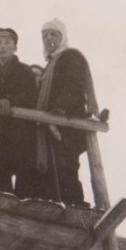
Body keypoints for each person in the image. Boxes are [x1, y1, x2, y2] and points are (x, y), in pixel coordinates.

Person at [36, 18, 97, 208]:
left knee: (66, 171)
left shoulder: (70, 56)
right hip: (53, 126)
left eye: (54, 34)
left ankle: (79, 215)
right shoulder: (50, 64)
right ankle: (59, 214)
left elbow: (74, 86)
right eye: (45, 35)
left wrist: (58, 110)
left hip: (68, 125)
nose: (48, 38)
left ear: (62, 38)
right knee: (54, 173)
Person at [0, 27, 41, 198]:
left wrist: (10, 101)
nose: (3, 46)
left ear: (15, 47)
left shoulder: (24, 71)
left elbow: (31, 97)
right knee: (0, 176)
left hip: (21, 133)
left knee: (25, 178)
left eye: (7, 43)